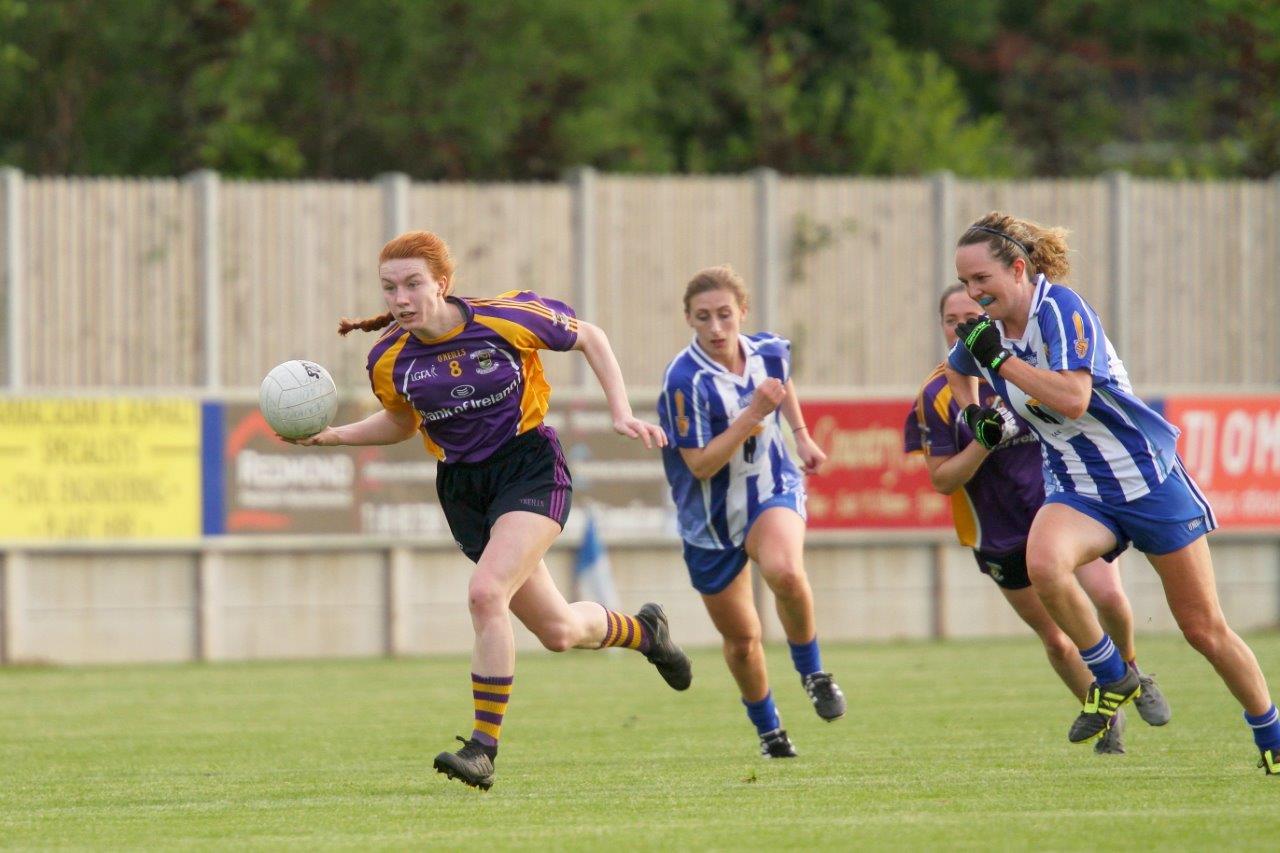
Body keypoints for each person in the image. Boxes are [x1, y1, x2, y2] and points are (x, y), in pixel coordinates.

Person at [292, 230, 693, 791]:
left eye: (413, 284)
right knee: (558, 630)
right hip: (463, 488)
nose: (400, 299)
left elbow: (592, 338)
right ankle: (646, 632)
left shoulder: (505, 318)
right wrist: (336, 436)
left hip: (529, 467)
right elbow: (402, 423)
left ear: (443, 283)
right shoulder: (388, 357)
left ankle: (483, 748)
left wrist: (621, 412)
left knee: (485, 594)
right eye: (389, 288)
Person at [945, 212, 1280, 774]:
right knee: (1044, 564)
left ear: (1020, 269)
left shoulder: (1060, 308)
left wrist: (1001, 362)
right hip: (1079, 485)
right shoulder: (988, 329)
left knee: (1204, 630)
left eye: (982, 280)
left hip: (1147, 479)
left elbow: (1074, 398)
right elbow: (958, 369)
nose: (974, 293)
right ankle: (1113, 675)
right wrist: (976, 411)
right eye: (966, 282)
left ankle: (1271, 736)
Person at [906, 284, 1170, 755]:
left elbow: (1078, 405)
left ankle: (1128, 670)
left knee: (1109, 594)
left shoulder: (1031, 365)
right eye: (952, 320)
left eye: (973, 314)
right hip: (1001, 532)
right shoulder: (937, 392)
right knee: (1056, 639)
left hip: (1071, 507)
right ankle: (1109, 719)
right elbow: (943, 481)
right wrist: (983, 441)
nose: (964, 326)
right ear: (942, 327)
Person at [656, 265, 845, 759]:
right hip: (710, 521)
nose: (716, 328)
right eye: (703, 318)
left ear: (743, 312)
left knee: (784, 570)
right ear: (689, 320)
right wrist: (754, 415)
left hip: (770, 489)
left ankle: (814, 673)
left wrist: (801, 436)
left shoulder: (770, 350)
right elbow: (699, 465)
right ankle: (770, 733)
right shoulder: (684, 381)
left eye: (724, 315)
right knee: (743, 641)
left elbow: (782, 384)